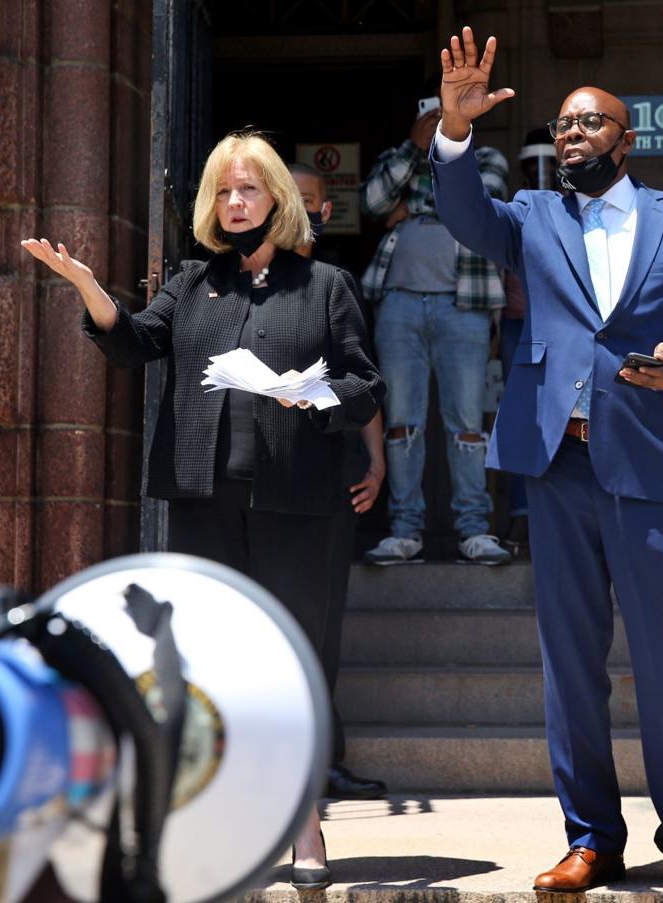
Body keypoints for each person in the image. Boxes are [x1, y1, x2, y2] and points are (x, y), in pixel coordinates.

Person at [430, 27, 663, 894]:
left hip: (648, 461)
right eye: (563, 126)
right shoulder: (532, 216)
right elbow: (464, 214)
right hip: (558, 466)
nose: (571, 135)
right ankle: (591, 839)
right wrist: (454, 135)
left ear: (626, 139)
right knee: (569, 662)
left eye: (589, 125)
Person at [21, 131, 385, 888]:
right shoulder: (191, 284)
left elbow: (365, 386)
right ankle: (230, 817)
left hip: (300, 504)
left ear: (277, 198)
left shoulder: (325, 287)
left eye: (249, 188)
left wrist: (310, 393)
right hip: (205, 501)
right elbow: (135, 344)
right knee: (217, 666)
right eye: (224, 191)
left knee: (296, 662)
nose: (236, 201)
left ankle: (304, 822)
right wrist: (87, 286)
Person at [358, 79, 512, 566]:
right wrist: (414, 148)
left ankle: (474, 528)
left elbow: (474, 205)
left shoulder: (486, 159)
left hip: (463, 304)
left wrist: (411, 204)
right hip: (398, 304)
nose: (437, 117)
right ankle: (405, 530)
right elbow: (372, 203)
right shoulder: (398, 156)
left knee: (467, 422)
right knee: (401, 422)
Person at [289, 162, 389, 801]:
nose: (296, 210)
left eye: (307, 202)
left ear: (326, 214)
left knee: (320, 628)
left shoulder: (334, 286)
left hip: (325, 474)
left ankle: (322, 760)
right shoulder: (231, 283)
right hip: (249, 479)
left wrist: (376, 463)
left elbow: (365, 385)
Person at [497, 126, 558, 554]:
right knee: (521, 420)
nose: (541, 174)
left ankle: (556, 518)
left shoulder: (582, 207)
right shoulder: (513, 209)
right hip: (518, 326)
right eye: (533, 166)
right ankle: (522, 516)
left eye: (548, 166)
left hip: (564, 328)